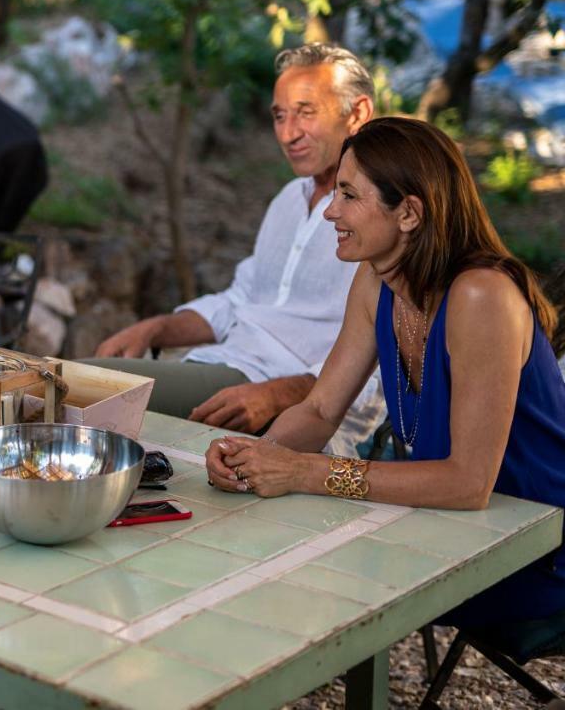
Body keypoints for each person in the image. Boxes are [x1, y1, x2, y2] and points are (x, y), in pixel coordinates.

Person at [207, 117, 565, 629]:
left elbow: (468, 484)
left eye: (349, 195)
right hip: (440, 527)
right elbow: (320, 408)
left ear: (409, 214)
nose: (331, 211)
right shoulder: (378, 282)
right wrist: (257, 457)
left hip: (529, 553)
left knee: (302, 570)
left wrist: (304, 472)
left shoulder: (481, 296)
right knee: (263, 551)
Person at [88, 43, 381, 448]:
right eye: (279, 116)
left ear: (358, 113)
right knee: (60, 385)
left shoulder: (382, 218)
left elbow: (391, 363)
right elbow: (240, 298)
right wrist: (158, 328)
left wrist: (277, 394)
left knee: (69, 388)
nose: (288, 133)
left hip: (288, 398)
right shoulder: (287, 201)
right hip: (222, 366)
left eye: (306, 112)